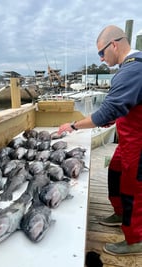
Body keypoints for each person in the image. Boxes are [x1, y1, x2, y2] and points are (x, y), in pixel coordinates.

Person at [58, 25, 142, 256]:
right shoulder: (129, 68)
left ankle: (135, 239)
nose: (102, 59)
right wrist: (110, 120)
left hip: (139, 144)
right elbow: (126, 107)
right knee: (115, 172)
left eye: (101, 53)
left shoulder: (134, 69)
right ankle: (119, 214)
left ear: (114, 44)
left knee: (132, 189)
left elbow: (108, 110)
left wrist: (73, 126)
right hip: (128, 139)